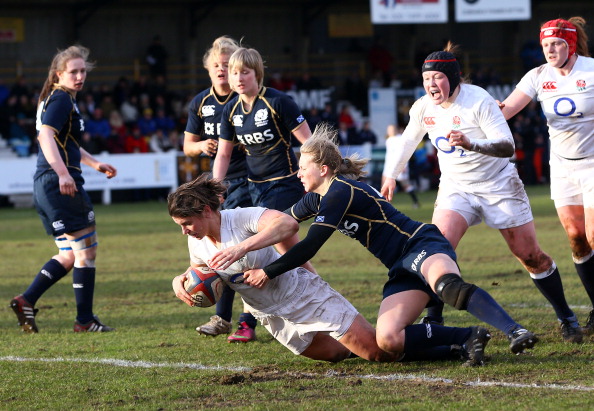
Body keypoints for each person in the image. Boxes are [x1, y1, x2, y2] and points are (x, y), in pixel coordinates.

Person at [211, 124, 538, 360]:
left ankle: (514, 331)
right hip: (400, 267)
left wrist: (269, 271)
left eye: (303, 168)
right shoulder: (318, 199)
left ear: (324, 169)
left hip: (420, 244)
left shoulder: (340, 190)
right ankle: (466, 338)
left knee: (448, 286)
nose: (298, 174)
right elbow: (281, 223)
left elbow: (310, 245)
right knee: (388, 339)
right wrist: (237, 243)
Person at [380, 42, 583, 343]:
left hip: (498, 185)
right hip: (456, 188)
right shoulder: (423, 107)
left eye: (437, 78)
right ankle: (433, 319)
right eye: (426, 79)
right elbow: (408, 140)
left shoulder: (478, 101)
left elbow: (507, 146)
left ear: (453, 78)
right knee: (436, 251)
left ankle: (566, 316)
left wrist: (471, 143)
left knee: (530, 256)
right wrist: (390, 176)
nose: (430, 85)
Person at [170, 175, 488, 365]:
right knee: (338, 354)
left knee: (378, 352)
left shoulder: (242, 218)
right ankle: (427, 343)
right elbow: (199, 269)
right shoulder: (197, 241)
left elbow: (285, 223)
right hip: (272, 314)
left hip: (304, 294)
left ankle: (463, 338)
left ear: (207, 210)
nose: (185, 231)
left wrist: (242, 248)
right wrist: (178, 283)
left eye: (187, 224)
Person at [10, 45, 116, 333]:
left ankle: (27, 300)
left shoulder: (54, 98)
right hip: (58, 183)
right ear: (59, 74)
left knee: (69, 254)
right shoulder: (61, 100)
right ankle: (84, 320)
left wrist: (94, 164)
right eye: (74, 72)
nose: (80, 76)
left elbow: (65, 142)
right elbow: (46, 135)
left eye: (83, 71)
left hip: (45, 184)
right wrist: (63, 174)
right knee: (87, 252)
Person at [500, 17, 594, 337]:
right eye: (545, 45)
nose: (550, 50)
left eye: (556, 44)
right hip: (563, 167)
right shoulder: (538, 76)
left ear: (570, 44)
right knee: (577, 240)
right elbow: (505, 110)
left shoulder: (591, 71)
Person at [212, 46, 312, 342]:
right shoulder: (230, 110)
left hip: (284, 183)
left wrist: (312, 175)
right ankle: (315, 291)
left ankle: (252, 319)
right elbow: (223, 155)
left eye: (245, 72)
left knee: (265, 247)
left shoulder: (278, 102)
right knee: (288, 250)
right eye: (234, 72)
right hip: (255, 187)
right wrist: (215, 188)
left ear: (257, 74)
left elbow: (309, 142)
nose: (239, 78)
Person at [183, 36, 254, 343]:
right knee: (223, 249)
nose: (222, 70)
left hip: (251, 180)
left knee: (250, 250)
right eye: (216, 65)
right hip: (218, 184)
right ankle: (224, 318)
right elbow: (187, 146)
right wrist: (201, 145)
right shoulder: (200, 103)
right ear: (207, 69)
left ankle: (244, 320)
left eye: (227, 65)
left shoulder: (245, 99)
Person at [382, 124, 420, 208]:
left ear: (395, 130)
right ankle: (386, 206)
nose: (390, 131)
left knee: (406, 185)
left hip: (399, 166)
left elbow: (404, 153)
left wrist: (404, 166)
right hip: (388, 167)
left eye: (391, 129)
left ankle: (416, 202)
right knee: (384, 185)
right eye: (389, 130)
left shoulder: (400, 138)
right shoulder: (388, 140)